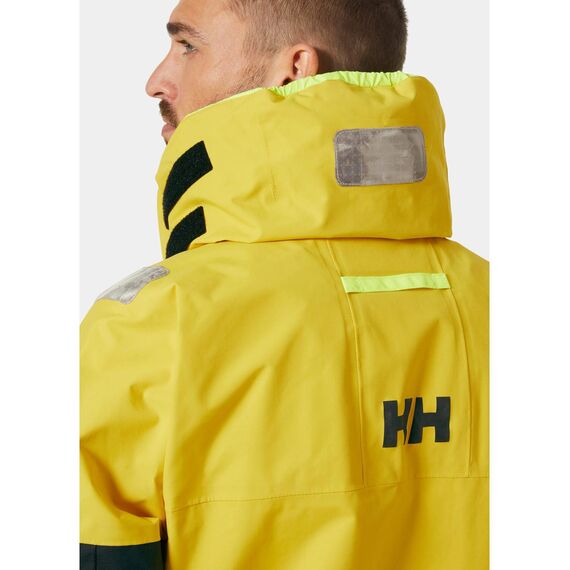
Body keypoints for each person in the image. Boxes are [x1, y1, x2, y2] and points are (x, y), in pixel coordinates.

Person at [80, 0, 489, 568]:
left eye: (188, 46)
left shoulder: (150, 326)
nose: (156, 80)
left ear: (294, 68)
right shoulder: (502, 304)